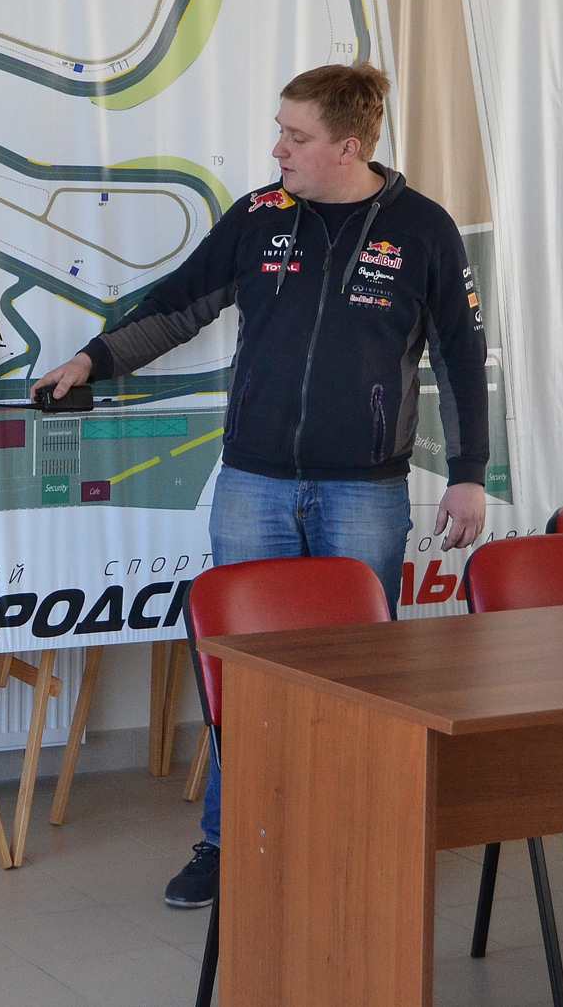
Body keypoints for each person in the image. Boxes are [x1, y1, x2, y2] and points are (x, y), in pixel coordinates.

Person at [31, 63, 490, 908]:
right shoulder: (258, 216)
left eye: (295, 135)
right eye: (280, 130)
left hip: (365, 492)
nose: (277, 148)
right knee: (242, 672)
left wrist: (467, 476)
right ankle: (228, 839)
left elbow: (461, 358)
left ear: (347, 147)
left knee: (359, 679)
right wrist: (92, 361)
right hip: (253, 484)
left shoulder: (423, 229)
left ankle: (353, 836)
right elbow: (177, 306)